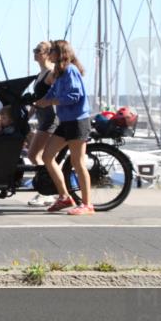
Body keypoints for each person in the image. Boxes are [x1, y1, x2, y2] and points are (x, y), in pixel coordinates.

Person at [35, 39, 93, 215]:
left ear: (59, 54)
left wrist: (51, 101)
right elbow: (52, 92)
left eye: (51, 51)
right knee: (47, 156)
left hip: (77, 121)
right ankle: (64, 197)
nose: (49, 54)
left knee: (78, 163)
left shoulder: (70, 70)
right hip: (65, 121)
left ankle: (87, 205)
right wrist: (41, 101)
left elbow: (75, 95)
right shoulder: (59, 73)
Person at [24, 41, 58, 206]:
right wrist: (27, 115)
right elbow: (36, 100)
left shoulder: (51, 73)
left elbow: (56, 95)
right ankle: (49, 190)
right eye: (34, 50)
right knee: (39, 156)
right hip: (43, 119)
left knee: (37, 156)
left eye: (38, 50)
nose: (35, 53)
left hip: (51, 119)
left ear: (47, 53)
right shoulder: (41, 74)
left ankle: (47, 192)